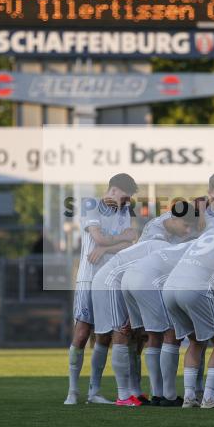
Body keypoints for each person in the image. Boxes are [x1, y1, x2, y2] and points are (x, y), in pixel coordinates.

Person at [65, 173, 139, 406]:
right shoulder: (91, 205)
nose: (127, 203)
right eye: (125, 198)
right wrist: (118, 241)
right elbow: (98, 237)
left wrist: (108, 247)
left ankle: (94, 392)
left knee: (104, 336)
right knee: (81, 334)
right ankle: (72, 391)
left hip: (109, 279)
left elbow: (131, 242)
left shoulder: (124, 211)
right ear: (114, 190)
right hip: (88, 278)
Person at [163, 207, 214, 409]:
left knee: (195, 340)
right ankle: (209, 398)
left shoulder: (208, 233)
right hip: (194, 289)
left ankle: (189, 397)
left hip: (170, 288)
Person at [92, 237, 174, 407]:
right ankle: (123, 396)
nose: (187, 230)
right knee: (122, 332)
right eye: (186, 225)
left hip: (123, 281)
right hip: (111, 281)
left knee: (136, 335)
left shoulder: (165, 248)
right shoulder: (167, 251)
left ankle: (135, 391)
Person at [121, 240, 194, 407]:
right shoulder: (205, 252)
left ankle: (157, 394)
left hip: (129, 277)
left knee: (153, 335)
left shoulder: (189, 244)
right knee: (172, 333)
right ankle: (169, 395)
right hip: (148, 279)